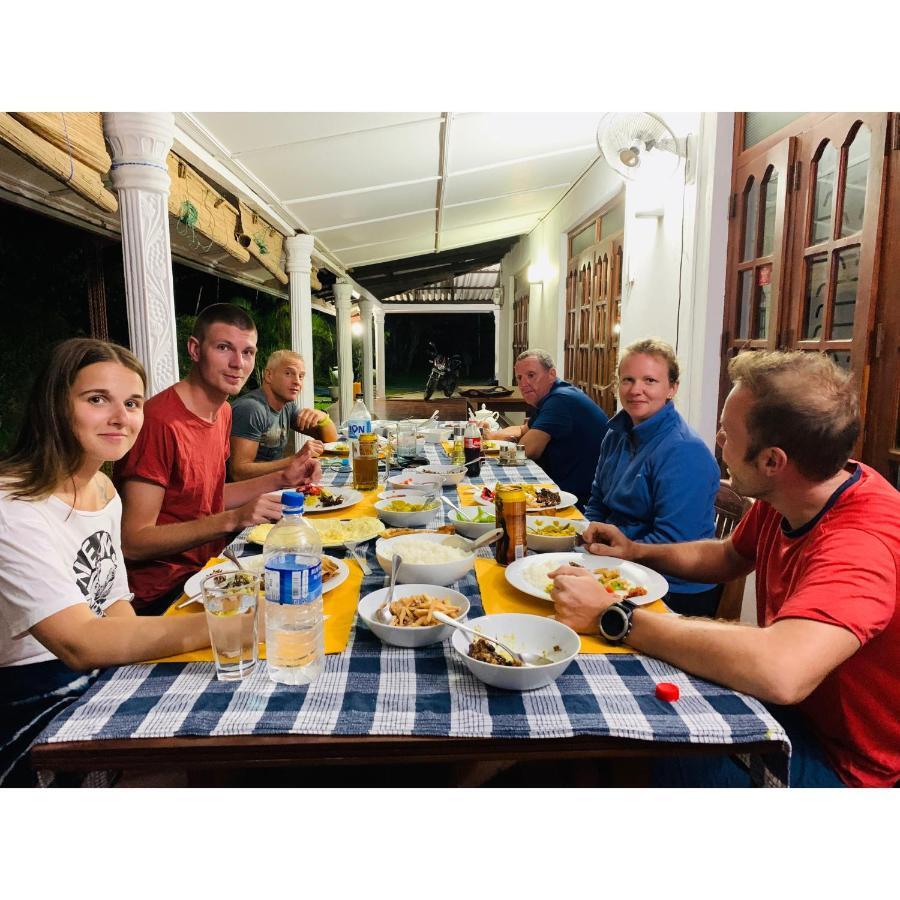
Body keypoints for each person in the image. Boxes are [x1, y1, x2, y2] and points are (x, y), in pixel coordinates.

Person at [549, 350, 900, 788]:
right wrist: (636, 551)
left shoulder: (861, 540)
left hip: (842, 764)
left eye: (727, 432)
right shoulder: (799, 490)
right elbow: (727, 556)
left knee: (629, 752)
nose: (717, 440)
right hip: (791, 714)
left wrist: (613, 615)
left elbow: (782, 671)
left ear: (773, 461)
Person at [0, 338, 210, 787]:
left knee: (202, 725)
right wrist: (231, 623)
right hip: (25, 686)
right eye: (98, 400)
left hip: (89, 665)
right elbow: (80, 642)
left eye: (132, 403)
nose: (121, 417)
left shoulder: (103, 490)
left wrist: (137, 682)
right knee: (175, 762)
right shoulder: (13, 505)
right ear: (56, 404)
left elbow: (113, 603)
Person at [116, 304, 320, 615]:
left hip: (213, 572)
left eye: (248, 352)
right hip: (164, 595)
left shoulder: (223, 411)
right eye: (224, 348)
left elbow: (210, 497)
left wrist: (284, 477)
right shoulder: (158, 422)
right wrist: (233, 519)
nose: (238, 363)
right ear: (195, 350)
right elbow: (133, 540)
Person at [583, 339, 721, 616]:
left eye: (650, 380)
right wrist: (590, 535)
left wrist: (608, 550)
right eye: (628, 380)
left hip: (673, 589)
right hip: (619, 564)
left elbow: (676, 542)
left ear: (672, 388)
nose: (636, 390)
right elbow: (597, 501)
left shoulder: (684, 450)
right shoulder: (615, 434)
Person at [491, 349, 609, 507]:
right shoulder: (553, 397)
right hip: (565, 487)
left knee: (499, 500)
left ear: (551, 374)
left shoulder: (560, 401)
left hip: (579, 500)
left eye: (531, 375)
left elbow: (526, 450)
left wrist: (491, 453)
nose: (523, 384)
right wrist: (489, 435)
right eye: (519, 377)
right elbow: (523, 430)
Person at [229, 349, 338, 482]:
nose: (297, 381)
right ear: (269, 375)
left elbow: (332, 441)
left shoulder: (287, 407)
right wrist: (295, 459)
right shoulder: (251, 409)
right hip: (245, 497)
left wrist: (323, 418)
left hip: (273, 485)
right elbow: (238, 473)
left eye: (301, 376)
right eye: (288, 373)